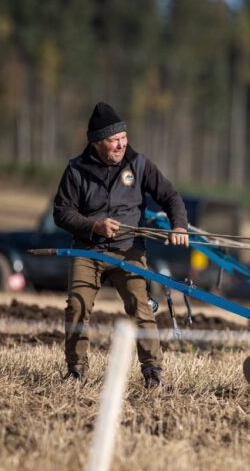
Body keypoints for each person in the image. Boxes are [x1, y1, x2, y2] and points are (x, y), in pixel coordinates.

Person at [53, 102, 189, 388]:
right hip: (87, 250)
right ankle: (76, 370)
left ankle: (153, 372)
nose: (121, 145)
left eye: (124, 138)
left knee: (141, 308)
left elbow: (171, 196)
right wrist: (93, 226)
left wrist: (179, 226)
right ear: (97, 142)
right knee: (77, 306)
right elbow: (62, 213)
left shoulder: (139, 165)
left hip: (129, 249)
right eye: (115, 140)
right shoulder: (76, 170)